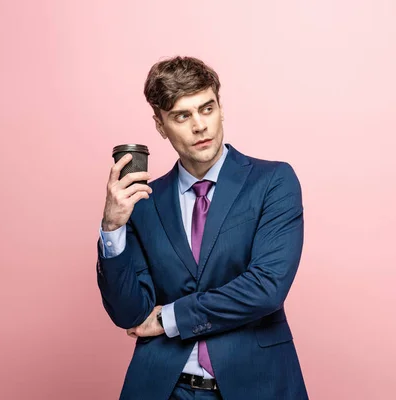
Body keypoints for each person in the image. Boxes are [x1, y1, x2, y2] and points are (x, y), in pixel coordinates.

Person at [96, 56, 309, 400]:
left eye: (207, 109)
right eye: (182, 115)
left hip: (257, 385)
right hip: (164, 389)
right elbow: (130, 314)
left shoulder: (273, 181)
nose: (200, 126)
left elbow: (266, 287)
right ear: (160, 126)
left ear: (220, 108)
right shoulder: (144, 202)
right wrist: (112, 227)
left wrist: (170, 317)